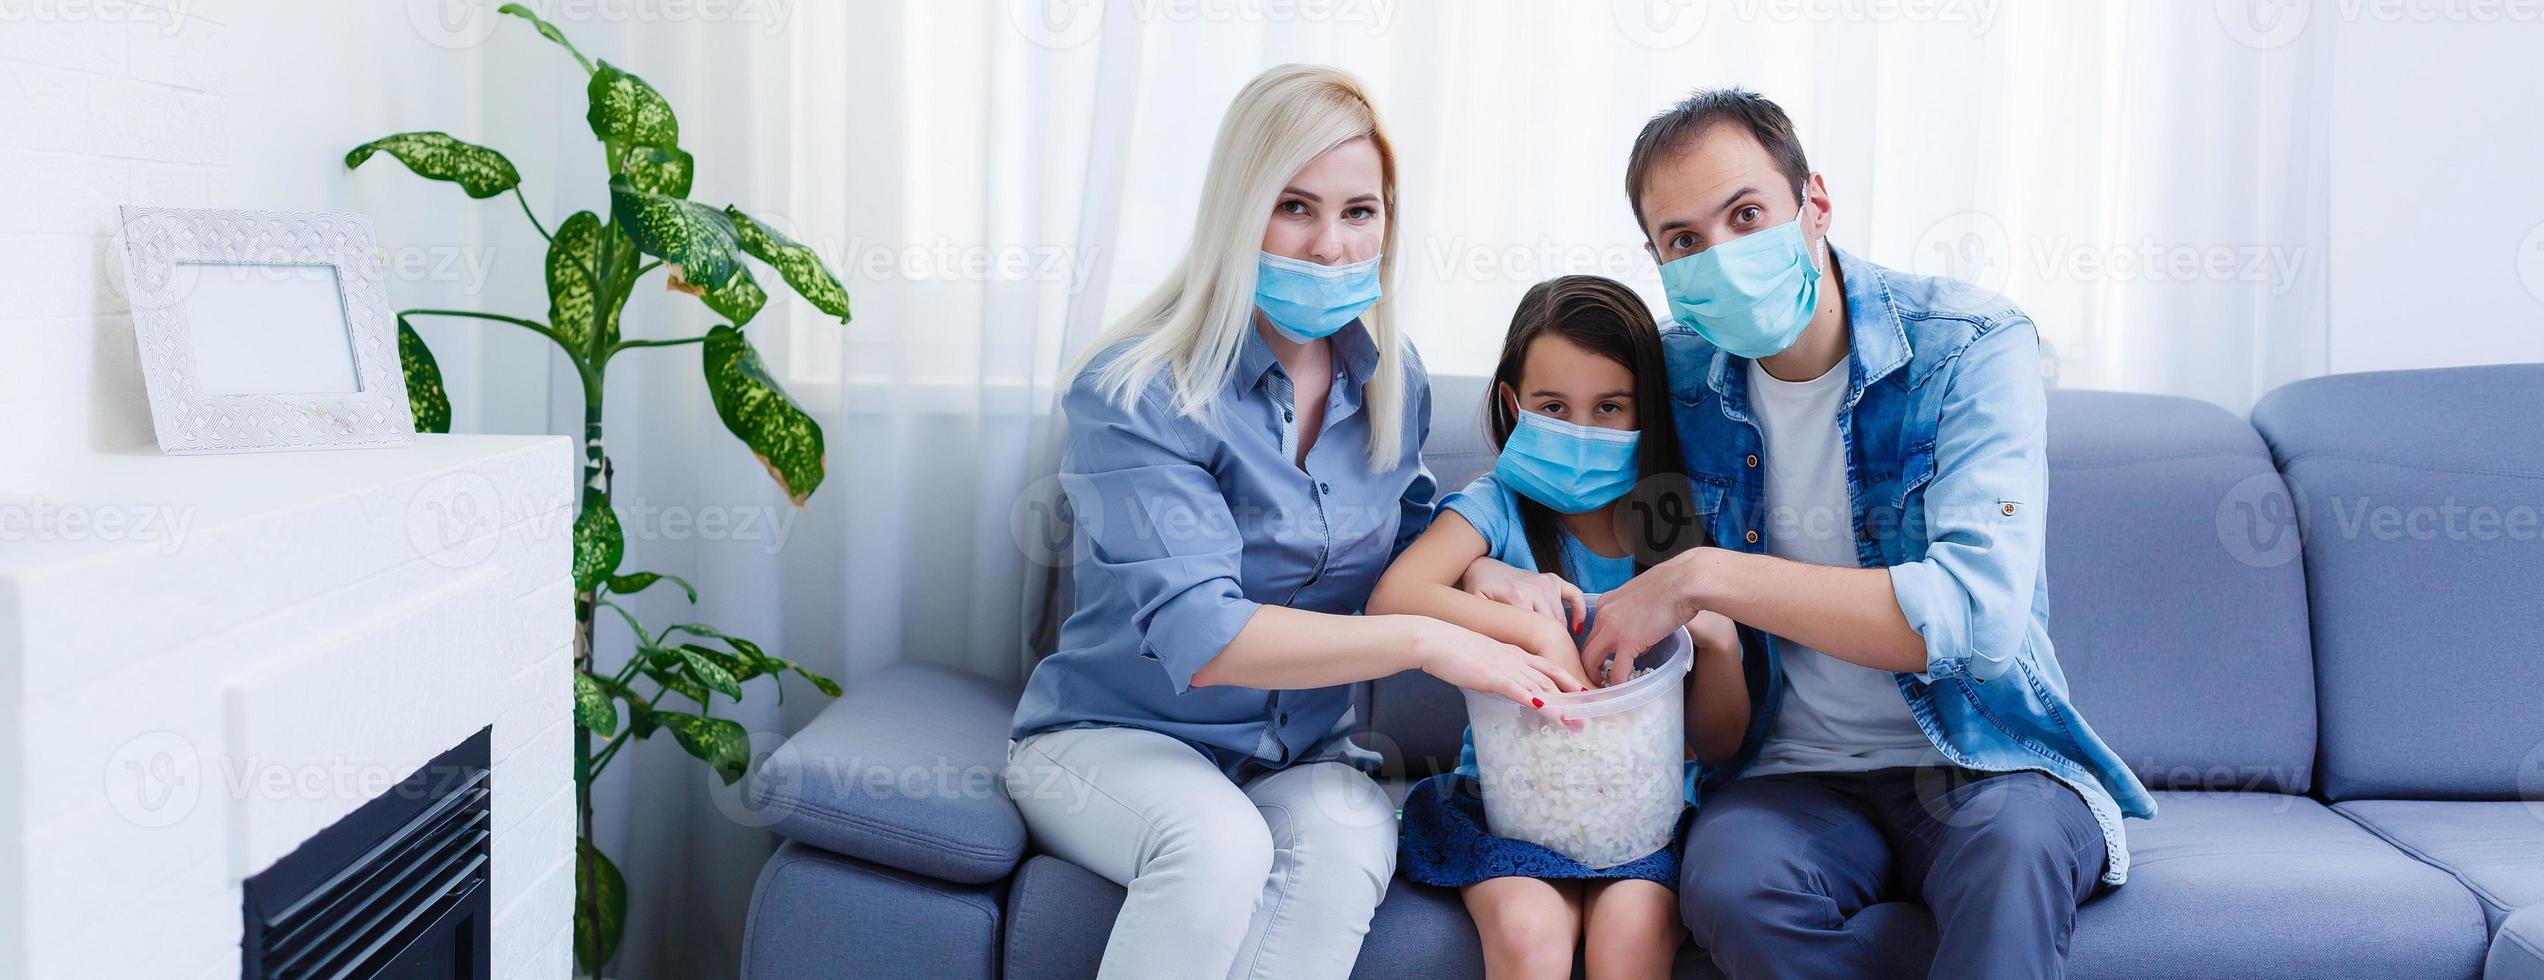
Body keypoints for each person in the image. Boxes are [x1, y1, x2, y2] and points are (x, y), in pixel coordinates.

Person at [1464, 89, 2156, 980]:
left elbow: (1977, 618)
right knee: (1731, 883)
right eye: (1683, 241)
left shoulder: (1971, 348)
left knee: (2012, 858)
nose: (1722, 255)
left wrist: (1704, 577)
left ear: (1814, 203)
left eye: (1746, 214)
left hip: (1984, 760)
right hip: (1785, 778)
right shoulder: (1671, 380)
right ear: (1657, 261)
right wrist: (1484, 572)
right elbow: (1551, 493)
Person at [1001, 65, 1579, 980]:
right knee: (1218, 845)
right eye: (1294, 207)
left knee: (1353, 839)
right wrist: (1425, 640)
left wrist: (1480, 576)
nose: (1330, 247)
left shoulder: (1394, 379)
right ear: (1239, 212)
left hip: (1298, 753)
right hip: (1113, 740)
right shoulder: (1137, 389)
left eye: (1360, 212)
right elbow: (1206, 636)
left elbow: (1403, 544)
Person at [1368, 275, 1751, 980]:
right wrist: (1517, 617)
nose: (1581, 430)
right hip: (1507, 804)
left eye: (1610, 407)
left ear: (1648, 411)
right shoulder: (1496, 508)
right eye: (1554, 407)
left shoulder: (1674, 523)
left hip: (1650, 812)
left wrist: (1720, 637)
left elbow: (1719, 742)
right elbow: (1394, 601)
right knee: (1530, 935)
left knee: (1629, 940)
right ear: (1514, 404)